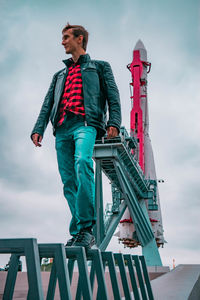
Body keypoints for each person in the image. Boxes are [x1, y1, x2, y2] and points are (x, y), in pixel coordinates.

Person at [31, 23, 121, 249]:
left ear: (79, 39)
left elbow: (113, 95)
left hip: (85, 124)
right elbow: (47, 103)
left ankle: (86, 228)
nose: (62, 42)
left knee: (83, 163)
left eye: (66, 37)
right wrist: (38, 128)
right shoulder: (59, 75)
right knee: (68, 181)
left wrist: (114, 123)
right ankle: (80, 231)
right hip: (62, 128)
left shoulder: (100, 67)